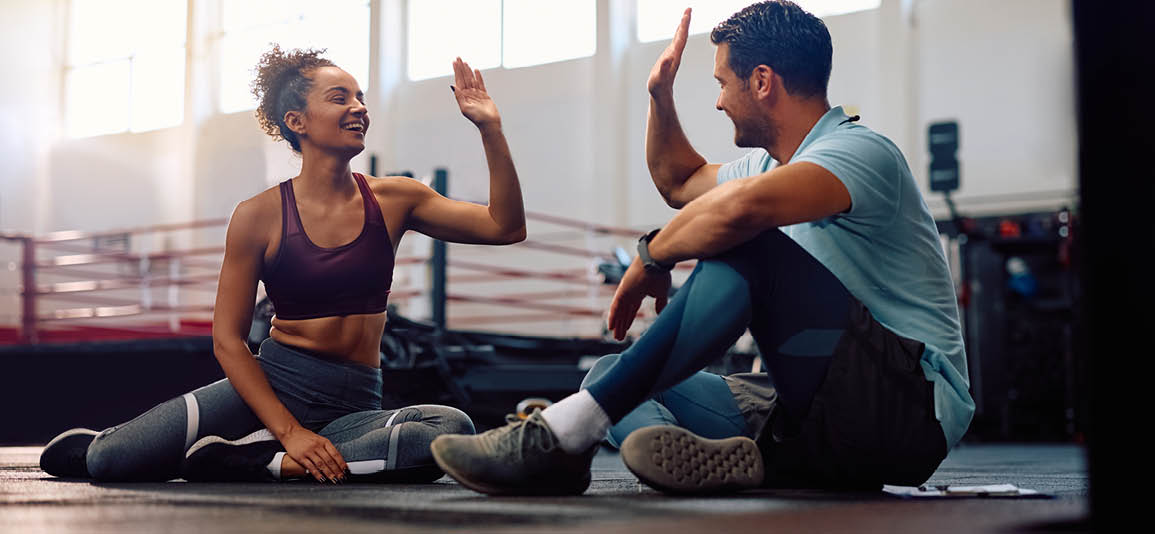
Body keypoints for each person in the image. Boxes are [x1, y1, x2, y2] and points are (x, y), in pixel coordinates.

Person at [430, 1, 974, 495]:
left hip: (906, 411)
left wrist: (651, 256)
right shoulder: (767, 167)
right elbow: (679, 181)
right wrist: (658, 97)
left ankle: (561, 435)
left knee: (748, 243)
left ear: (762, 81)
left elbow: (739, 213)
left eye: (721, 83)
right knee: (610, 378)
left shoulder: (860, 151)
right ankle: (727, 461)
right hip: (807, 411)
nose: (717, 102)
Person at [39, 46, 527, 484]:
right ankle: (115, 441)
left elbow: (504, 227)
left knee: (448, 430)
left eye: (360, 98)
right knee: (109, 464)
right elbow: (228, 340)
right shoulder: (258, 216)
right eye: (340, 98)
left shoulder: (397, 198)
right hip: (273, 386)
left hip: (355, 405)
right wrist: (290, 430)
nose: (359, 108)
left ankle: (258, 463)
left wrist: (491, 128)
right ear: (297, 121)